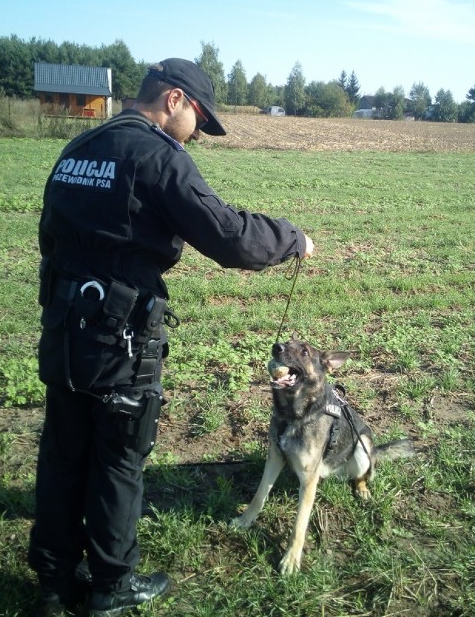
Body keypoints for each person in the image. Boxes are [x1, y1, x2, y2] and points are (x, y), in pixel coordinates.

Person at [29, 58, 314, 617]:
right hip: (121, 341)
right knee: (118, 458)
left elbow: (50, 237)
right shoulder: (158, 156)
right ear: (176, 100)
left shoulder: (79, 148)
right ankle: (111, 586)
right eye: (200, 122)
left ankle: (54, 583)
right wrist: (292, 238)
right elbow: (229, 236)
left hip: (64, 331)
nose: (199, 136)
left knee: (64, 454)